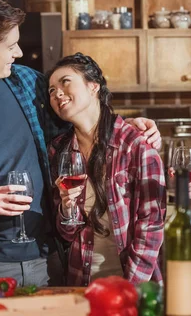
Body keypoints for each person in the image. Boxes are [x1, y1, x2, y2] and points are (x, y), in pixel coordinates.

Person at [0, 0, 161, 285]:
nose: (17, 53)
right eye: (10, 46)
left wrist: (125, 126)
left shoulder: (26, 83)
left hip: (57, 256)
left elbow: (79, 117)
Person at [48, 53, 166, 286]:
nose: (57, 93)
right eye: (51, 90)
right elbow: (65, 234)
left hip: (132, 283)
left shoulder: (136, 143)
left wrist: (131, 288)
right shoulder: (58, 150)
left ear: (93, 87)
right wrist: (66, 209)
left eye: (65, 82)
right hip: (82, 282)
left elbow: (151, 225)